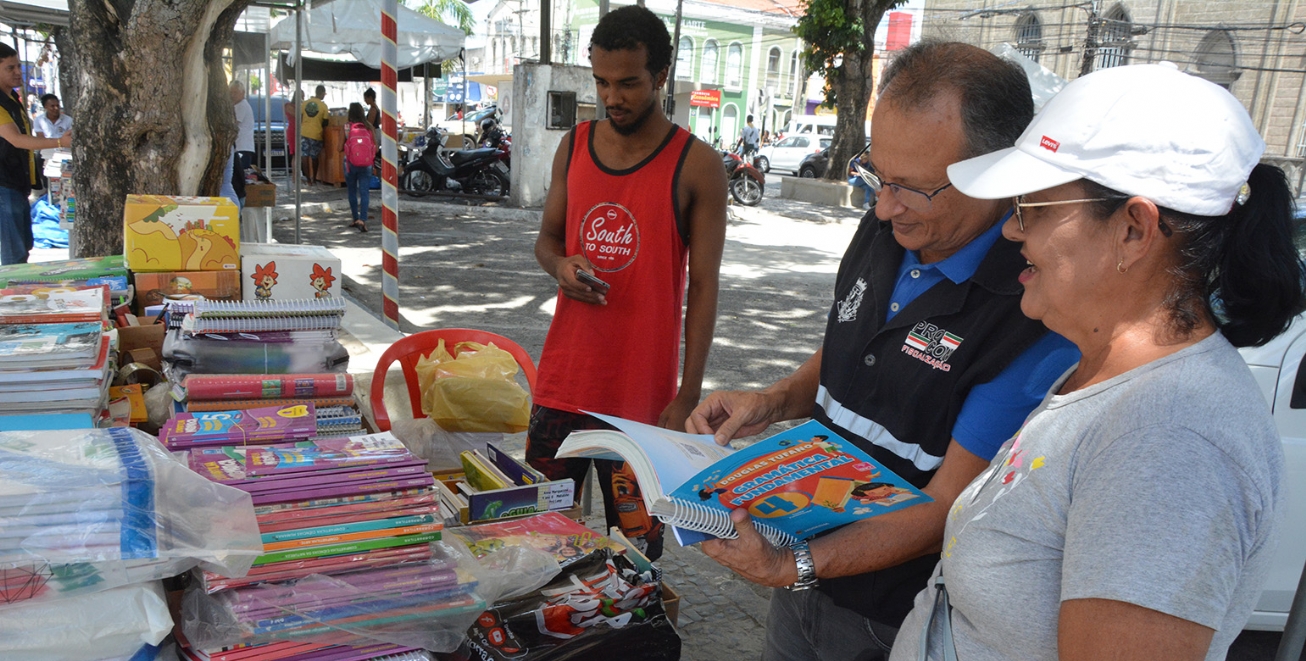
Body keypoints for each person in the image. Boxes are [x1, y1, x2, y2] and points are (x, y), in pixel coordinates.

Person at [888, 62, 1304, 661]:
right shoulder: (1107, 371)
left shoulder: (1169, 442)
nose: (1011, 230)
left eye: (1032, 206)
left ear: (1134, 229)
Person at [685, 41, 1080, 660]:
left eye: (911, 188)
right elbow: (850, 342)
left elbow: (949, 505)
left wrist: (795, 566)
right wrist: (775, 399)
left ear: (995, 174)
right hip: (801, 562)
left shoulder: (1029, 308)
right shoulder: (889, 224)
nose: (882, 205)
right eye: (877, 174)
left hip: (889, 616)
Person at [526, 4, 728, 562]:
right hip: (563, 384)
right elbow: (546, 241)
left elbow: (705, 287)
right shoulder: (575, 145)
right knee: (541, 538)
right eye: (601, 82)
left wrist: (687, 393)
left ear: (661, 76)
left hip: (641, 404)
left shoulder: (697, 166)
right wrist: (561, 266)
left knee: (637, 555)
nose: (612, 97)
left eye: (628, 83)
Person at [0, 45, 69, 264]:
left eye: (18, 66)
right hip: (4, 184)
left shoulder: (12, 99)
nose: (18, 72)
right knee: (14, 252)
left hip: (18, 183)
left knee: (24, 246)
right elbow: (17, 139)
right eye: (10, 68)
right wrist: (60, 142)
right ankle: (12, 295)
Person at [341, 102, 374, 233]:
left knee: (352, 191)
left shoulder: (346, 127)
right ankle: (363, 219)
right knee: (365, 192)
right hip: (367, 164)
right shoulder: (369, 126)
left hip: (350, 164)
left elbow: (339, 146)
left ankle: (355, 218)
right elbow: (374, 145)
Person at [230, 81, 255, 206]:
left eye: (235, 92)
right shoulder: (236, 105)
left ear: (243, 93)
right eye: (231, 93)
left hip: (242, 147)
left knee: (238, 180)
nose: (232, 95)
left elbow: (233, 124)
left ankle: (240, 204)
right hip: (239, 147)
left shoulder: (242, 106)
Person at [300, 84, 328, 185]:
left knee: (304, 156)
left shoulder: (305, 103)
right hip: (316, 133)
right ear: (321, 93)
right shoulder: (323, 106)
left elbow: (300, 117)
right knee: (314, 157)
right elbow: (325, 123)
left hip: (304, 132)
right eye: (324, 94)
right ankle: (314, 178)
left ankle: (308, 179)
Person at [33, 93, 71, 160]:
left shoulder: (68, 120)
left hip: (65, 153)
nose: (56, 108)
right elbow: (41, 139)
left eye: (57, 105)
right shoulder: (38, 120)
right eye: (52, 106)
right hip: (47, 153)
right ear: (45, 107)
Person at [283, 91, 298, 176]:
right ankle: (294, 176)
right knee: (295, 154)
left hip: (300, 130)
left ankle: (297, 175)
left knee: (299, 155)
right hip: (293, 130)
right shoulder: (289, 106)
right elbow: (298, 115)